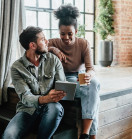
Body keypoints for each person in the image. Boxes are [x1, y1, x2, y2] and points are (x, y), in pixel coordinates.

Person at [2, 26, 67, 139]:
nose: (47, 41)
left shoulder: (53, 60)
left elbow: (62, 86)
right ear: (32, 45)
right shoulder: (17, 67)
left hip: (50, 107)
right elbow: (26, 97)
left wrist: (58, 93)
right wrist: (47, 98)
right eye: (43, 39)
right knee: (8, 136)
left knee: (56, 108)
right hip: (27, 109)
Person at [48, 4, 101, 139]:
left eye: (70, 34)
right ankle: (92, 135)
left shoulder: (83, 43)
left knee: (93, 84)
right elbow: (39, 47)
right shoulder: (53, 42)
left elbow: (90, 69)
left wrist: (89, 75)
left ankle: (84, 134)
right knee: (94, 97)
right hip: (63, 79)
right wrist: (54, 49)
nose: (66, 37)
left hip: (80, 75)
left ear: (76, 31)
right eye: (62, 34)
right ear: (58, 32)